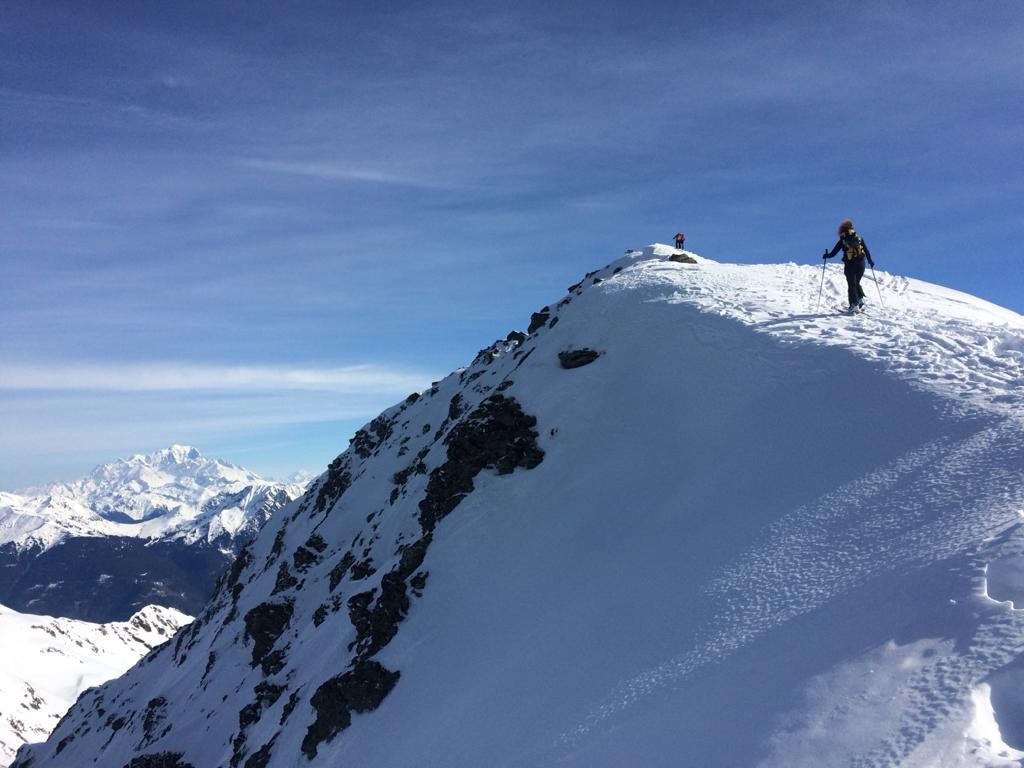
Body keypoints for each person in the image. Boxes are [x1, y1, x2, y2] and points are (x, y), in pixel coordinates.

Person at [823, 219, 875, 311]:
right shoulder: (859, 238)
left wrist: (826, 255)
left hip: (850, 264)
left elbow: (833, 253)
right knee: (857, 282)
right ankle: (860, 300)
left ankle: (854, 305)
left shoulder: (842, 240)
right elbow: (866, 251)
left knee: (851, 285)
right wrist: (870, 261)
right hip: (861, 264)